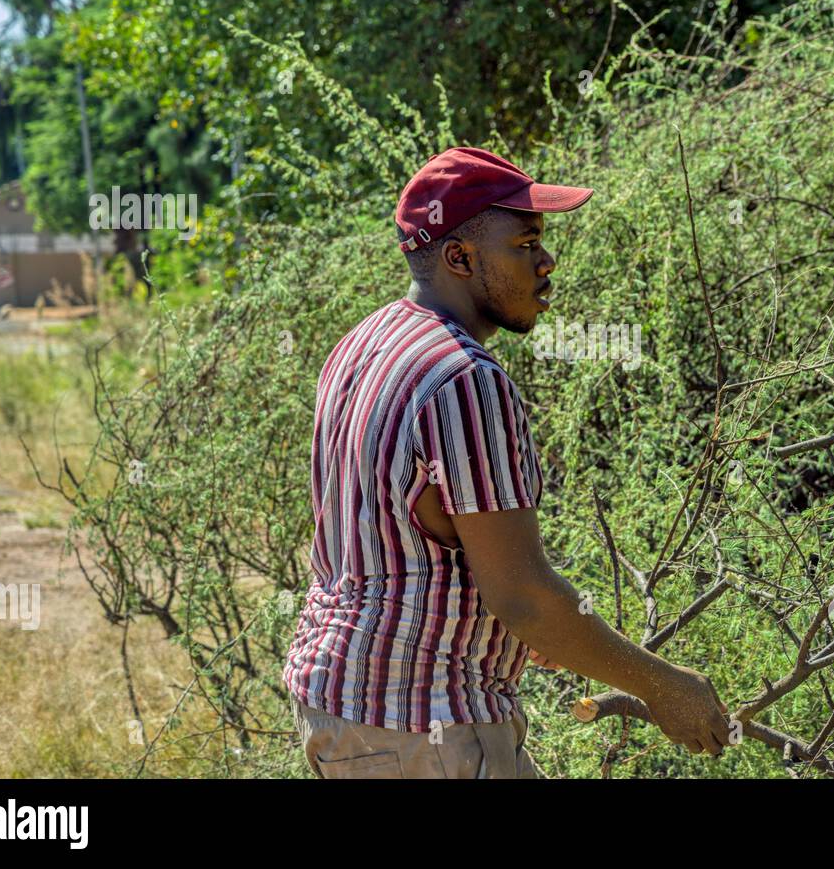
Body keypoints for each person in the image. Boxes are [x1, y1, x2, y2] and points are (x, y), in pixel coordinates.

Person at [284, 147, 731, 778]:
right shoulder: (465, 379)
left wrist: (532, 633)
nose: (547, 263)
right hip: (422, 719)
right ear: (460, 257)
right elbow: (520, 594)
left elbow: (405, 544)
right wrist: (663, 685)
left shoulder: (365, 342)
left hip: (344, 704)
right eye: (525, 244)